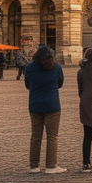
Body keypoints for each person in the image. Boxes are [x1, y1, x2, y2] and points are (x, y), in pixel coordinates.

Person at [24, 45, 66, 174]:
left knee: (35, 136)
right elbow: (60, 83)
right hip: (52, 105)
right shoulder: (56, 67)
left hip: (35, 104)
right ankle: (51, 166)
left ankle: (34, 166)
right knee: (52, 136)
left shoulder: (29, 67)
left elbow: (27, 85)